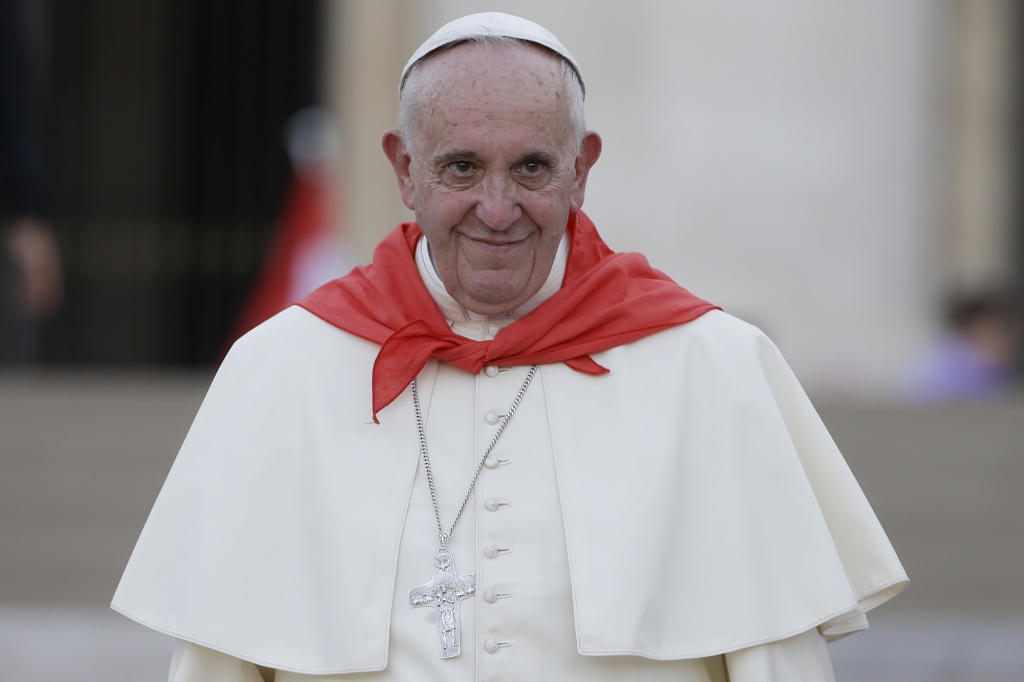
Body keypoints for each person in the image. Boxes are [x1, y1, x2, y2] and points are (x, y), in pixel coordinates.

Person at [113, 13, 907, 682]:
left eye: (532, 168)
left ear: (581, 170)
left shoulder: (712, 370)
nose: (498, 210)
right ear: (404, 169)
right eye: (462, 167)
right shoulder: (281, 370)